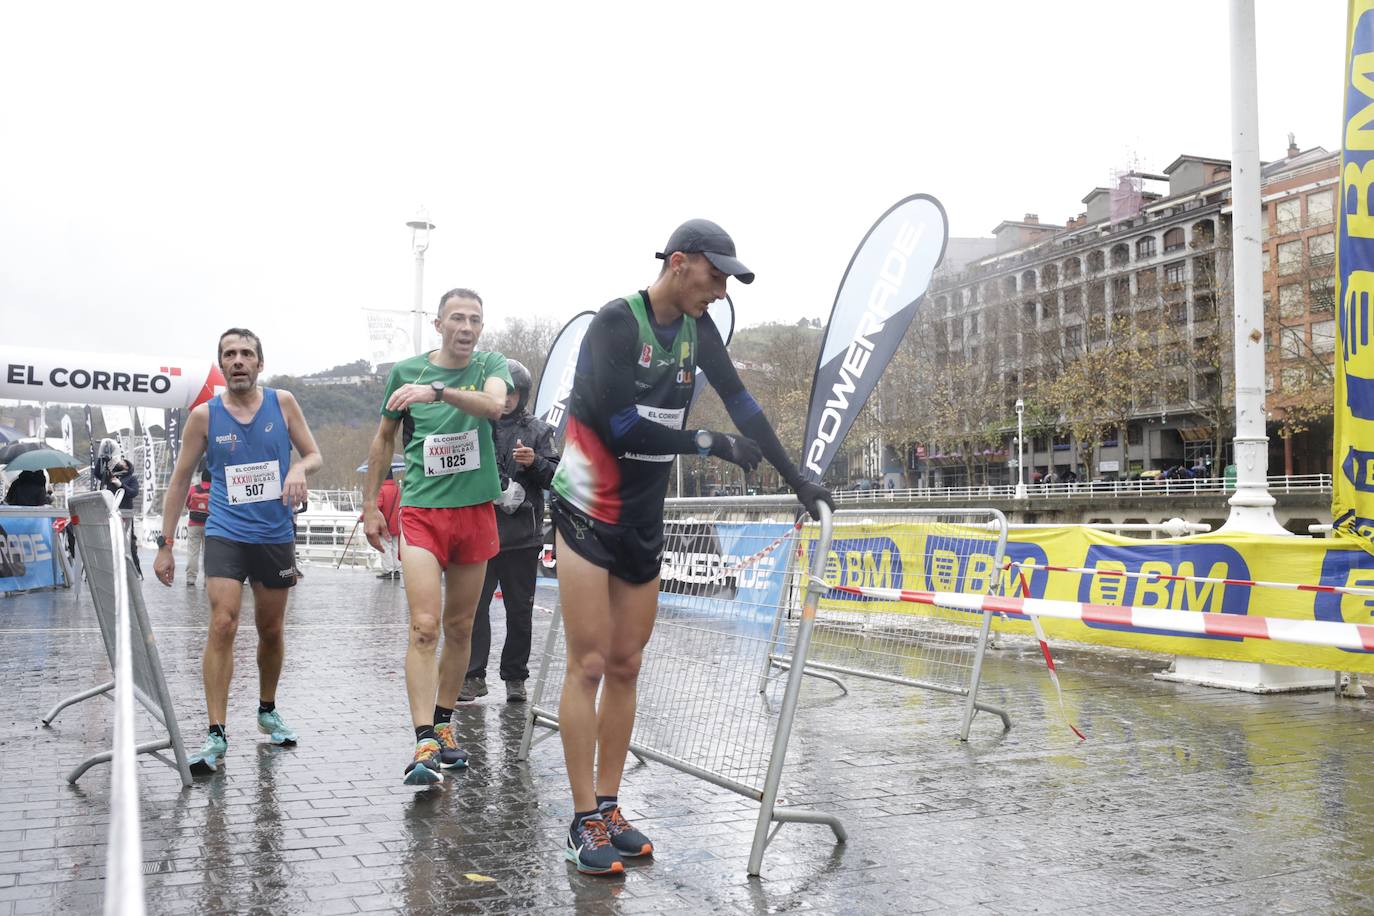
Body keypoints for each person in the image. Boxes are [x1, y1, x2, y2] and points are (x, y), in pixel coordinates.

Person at [548, 219, 833, 875]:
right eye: (717, 275)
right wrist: (709, 444)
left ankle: (612, 806)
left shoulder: (698, 332)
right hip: (589, 506)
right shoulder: (617, 323)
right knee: (587, 662)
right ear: (679, 264)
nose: (724, 291)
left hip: (644, 511)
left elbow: (742, 404)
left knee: (625, 664)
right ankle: (582, 818)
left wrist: (800, 481)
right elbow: (619, 425)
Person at [153, 328, 322, 775]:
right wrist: (165, 545)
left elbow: (314, 454)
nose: (239, 360)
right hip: (226, 531)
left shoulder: (282, 403)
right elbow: (179, 481)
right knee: (223, 621)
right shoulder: (204, 418)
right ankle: (216, 732)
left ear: (260, 363)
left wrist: (298, 469)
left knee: (270, 629)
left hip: (274, 533)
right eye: (230, 354)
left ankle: (267, 709)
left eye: (247, 353)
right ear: (221, 365)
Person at [361, 288, 513, 787]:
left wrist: (440, 393)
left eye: (475, 319)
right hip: (424, 511)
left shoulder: (491, 363)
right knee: (425, 625)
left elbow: (493, 405)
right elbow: (384, 439)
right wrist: (369, 507)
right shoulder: (405, 372)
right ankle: (423, 737)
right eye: (457, 319)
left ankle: (445, 724)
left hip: (474, 513)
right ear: (439, 324)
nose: (466, 328)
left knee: (461, 627)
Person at [460, 358, 559, 705]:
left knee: (520, 611)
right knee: (475, 608)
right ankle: (473, 676)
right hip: (481, 532)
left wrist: (536, 463)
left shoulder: (539, 430)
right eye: (503, 393)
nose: (508, 400)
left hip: (523, 536)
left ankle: (515, 677)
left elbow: (555, 478)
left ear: (524, 395)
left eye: (514, 394)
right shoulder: (475, 425)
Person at [103, 458, 142, 577]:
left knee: (128, 542)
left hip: (125, 514)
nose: (120, 463)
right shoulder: (109, 476)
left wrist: (121, 485)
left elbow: (134, 492)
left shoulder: (131, 478)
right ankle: (111, 569)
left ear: (128, 467)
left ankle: (135, 570)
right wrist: (103, 459)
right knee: (110, 541)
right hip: (111, 514)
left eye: (124, 463)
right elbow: (98, 474)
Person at [184, 469, 212, 587]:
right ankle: (208, 579)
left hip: (194, 523)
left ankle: (191, 578)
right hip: (210, 525)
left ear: (201, 478)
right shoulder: (215, 490)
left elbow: (187, 503)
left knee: (193, 552)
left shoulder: (193, 488)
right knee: (209, 552)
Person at [374, 468, 403, 579]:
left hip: (385, 524)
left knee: (385, 546)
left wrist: (363, 517)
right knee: (395, 547)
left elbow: (376, 507)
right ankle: (396, 571)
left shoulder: (381, 490)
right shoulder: (397, 489)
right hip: (397, 523)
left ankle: (388, 570)